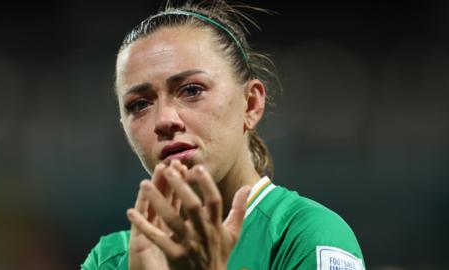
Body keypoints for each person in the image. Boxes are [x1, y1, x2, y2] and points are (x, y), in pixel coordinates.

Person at [82, 0, 366, 269]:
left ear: (251, 104)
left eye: (192, 90)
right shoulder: (110, 259)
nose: (165, 120)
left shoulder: (307, 236)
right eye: (139, 105)